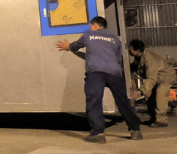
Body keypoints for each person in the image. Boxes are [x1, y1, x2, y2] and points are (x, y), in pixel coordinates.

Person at [56, 15, 142, 143]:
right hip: (115, 73)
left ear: (95, 25)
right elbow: (117, 58)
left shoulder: (88, 35)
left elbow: (75, 46)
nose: (90, 28)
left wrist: (68, 46)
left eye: (91, 26)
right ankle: (135, 130)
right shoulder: (115, 40)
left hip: (95, 73)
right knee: (123, 101)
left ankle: (98, 133)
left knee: (94, 101)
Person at [127, 39, 176, 127]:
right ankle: (153, 118)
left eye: (131, 49)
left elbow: (151, 79)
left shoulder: (150, 59)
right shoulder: (139, 57)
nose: (129, 50)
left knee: (160, 94)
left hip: (166, 77)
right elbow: (134, 69)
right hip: (156, 78)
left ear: (137, 51)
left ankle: (161, 120)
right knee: (149, 95)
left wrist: (140, 91)